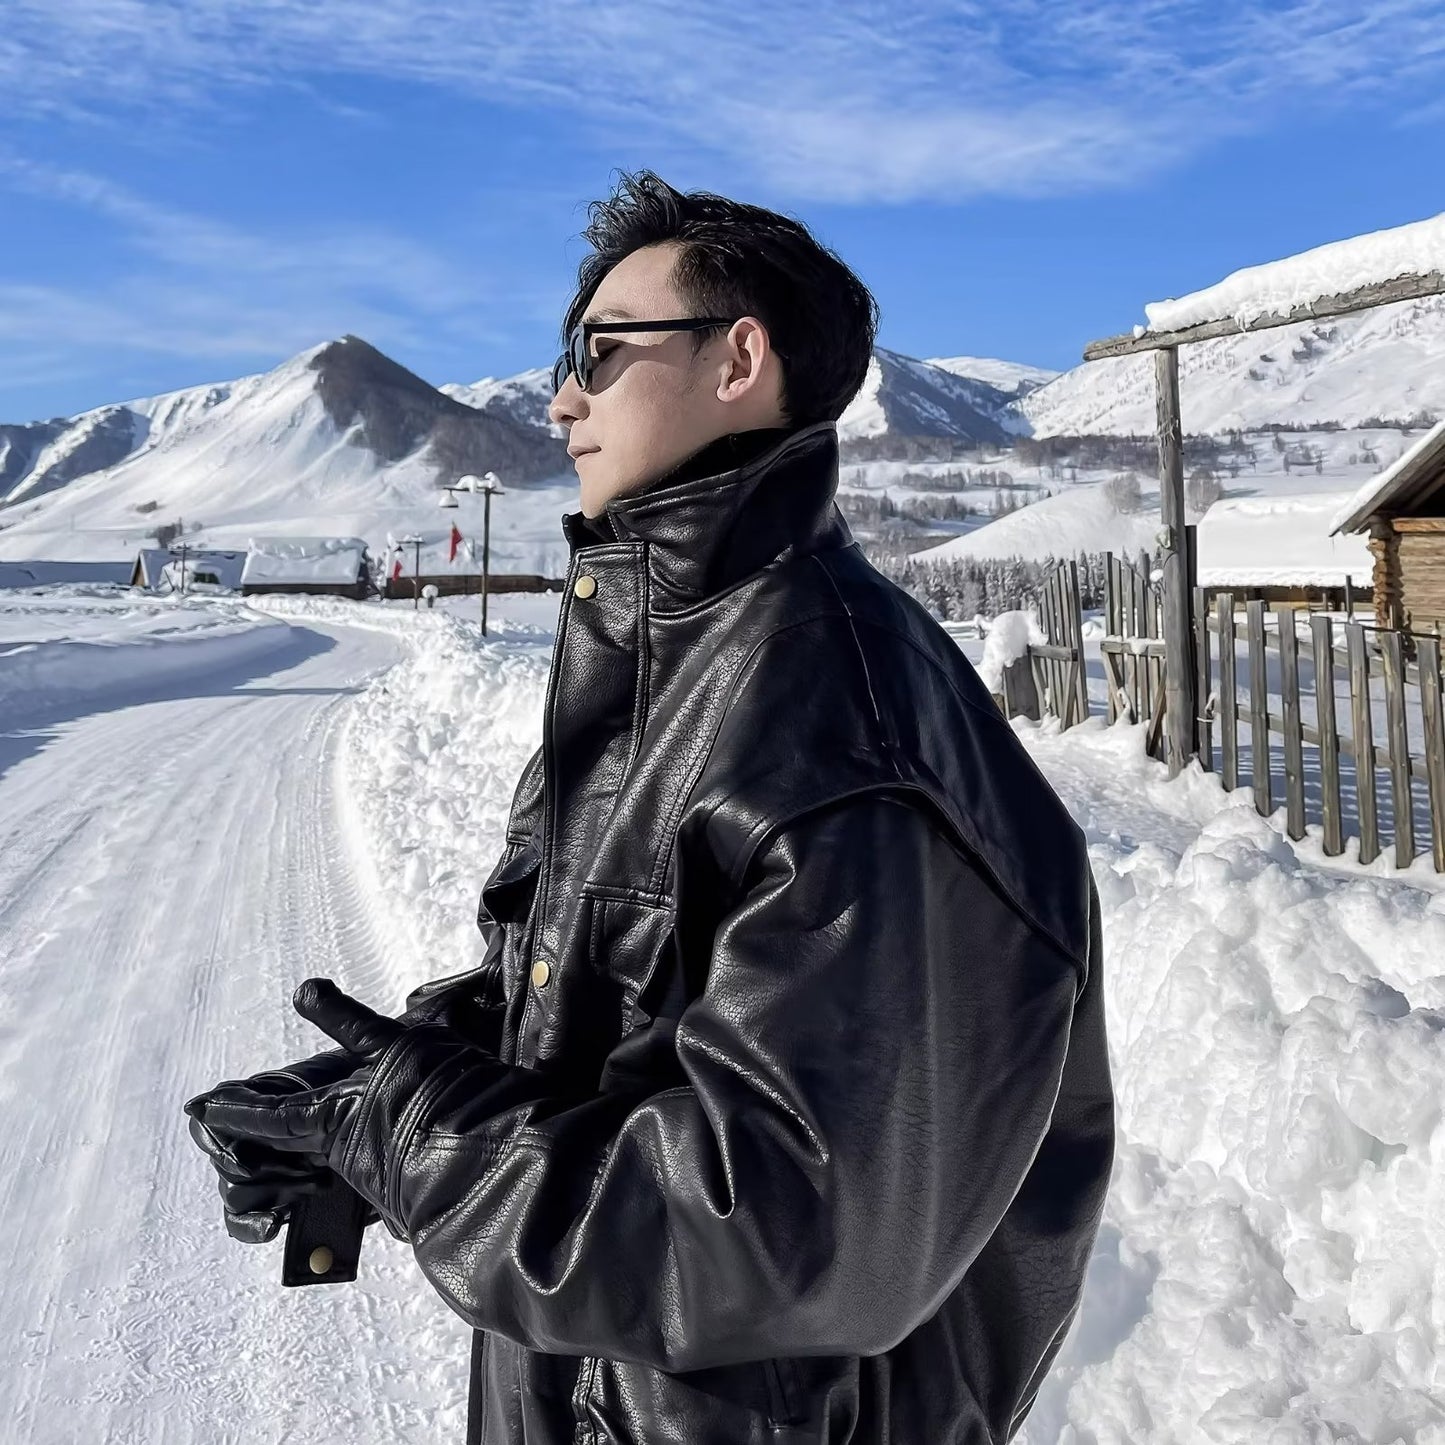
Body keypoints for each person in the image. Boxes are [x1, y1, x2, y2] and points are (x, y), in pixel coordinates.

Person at [183, 168, 1116, 1445]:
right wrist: (349, 1105)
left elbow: (783, 1227)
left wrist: (408, 1137)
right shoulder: (667, 662)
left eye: (601, 352)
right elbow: (588, 1012)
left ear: (739, 359)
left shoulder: (837, 718)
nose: (561, 395)